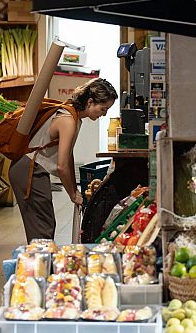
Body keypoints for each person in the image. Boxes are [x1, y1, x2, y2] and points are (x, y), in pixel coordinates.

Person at [9, 78, 117, 242]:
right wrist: (72, 194)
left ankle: (42, 264)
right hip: (30, 170)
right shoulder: (68, 120)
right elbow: (62, 166)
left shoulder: (74, 116)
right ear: (90, 102)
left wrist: (75, 189)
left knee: (44, 225)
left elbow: (68, 157)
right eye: (103, 109)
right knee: (42, 229)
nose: (104, 114)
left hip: (31, 169)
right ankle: (39, 265)